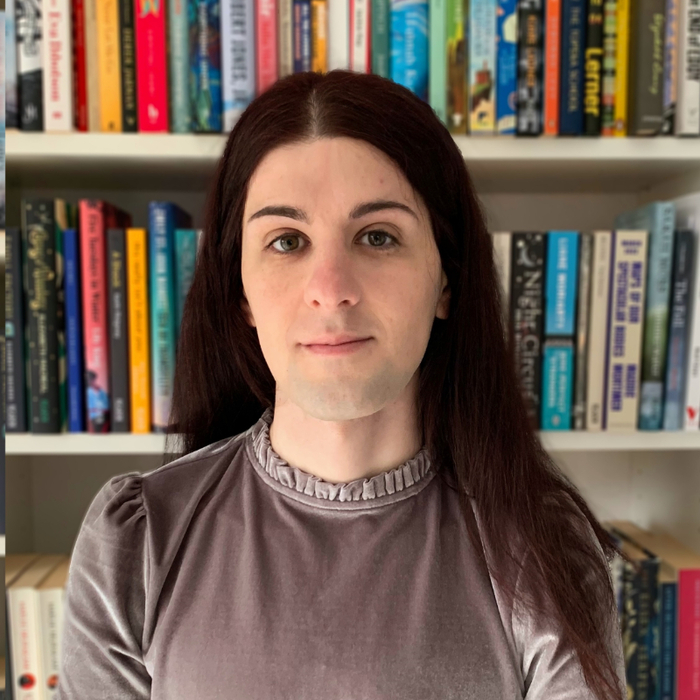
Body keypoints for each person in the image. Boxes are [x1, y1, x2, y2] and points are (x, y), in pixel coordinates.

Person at [57, 70, 628, 700]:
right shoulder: (136, 546)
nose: (330, 289)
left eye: (378, 237)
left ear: (446, 280)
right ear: (240, 292)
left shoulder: (544, 553)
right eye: (287, 241)